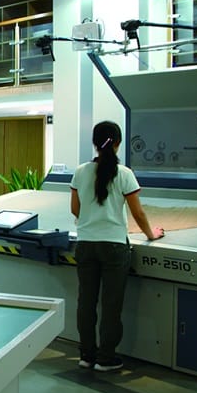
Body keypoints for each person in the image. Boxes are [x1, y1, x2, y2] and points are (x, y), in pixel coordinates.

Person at [70, 120, 164, 371]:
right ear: (118, 143)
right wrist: (151, 234)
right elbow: (138, 213)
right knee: (111, 304)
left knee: (86, 302)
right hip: (114, 247)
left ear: (94, 143)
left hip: (85, 244)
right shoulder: (124, 174)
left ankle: (86, 355)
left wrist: (90, 221)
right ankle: (106, 357)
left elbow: (75, 209)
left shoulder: (80, 172)